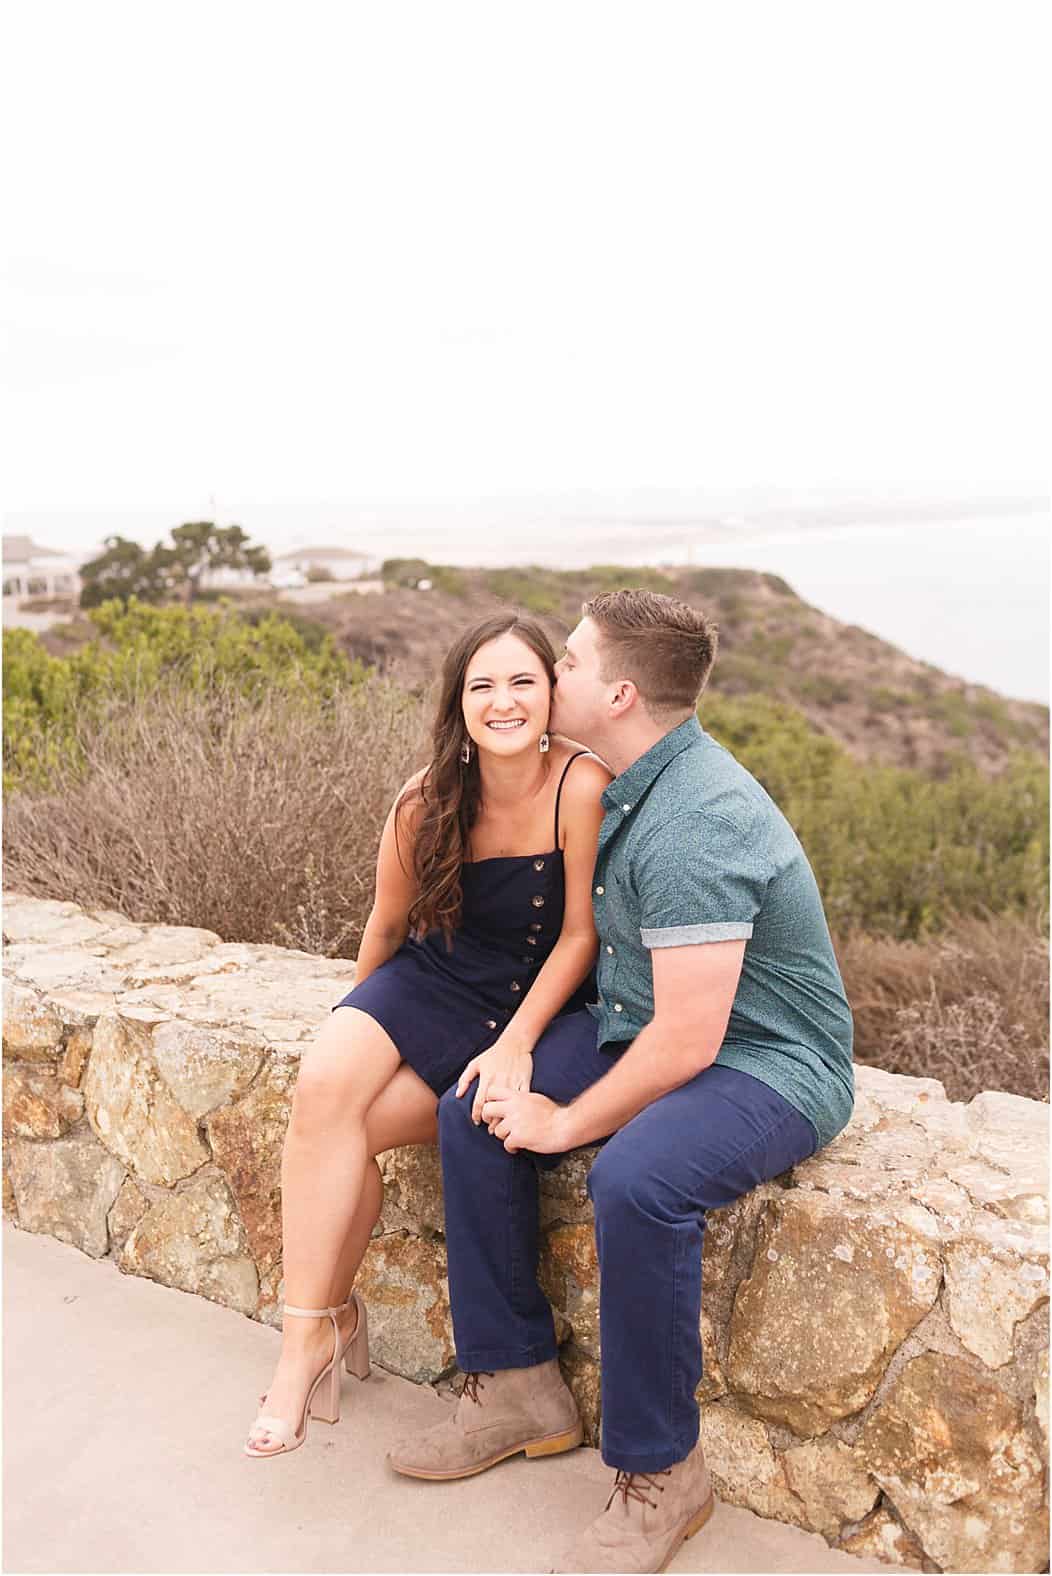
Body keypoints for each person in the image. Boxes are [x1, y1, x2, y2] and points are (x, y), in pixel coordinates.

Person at [387, 589, 855, 1575]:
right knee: (471, 1108)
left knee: (635, 1178)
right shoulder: (620, 774)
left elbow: (689, 1041)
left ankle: (662, 1473)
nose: (549, 672)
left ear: (618, 690)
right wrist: (515, 1052)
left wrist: (564, 1122)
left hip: (764, 1060)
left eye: (567, 659)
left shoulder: (698, 817)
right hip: (641, 1025)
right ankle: (516, 1385)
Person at [245, 613, 611, 1457]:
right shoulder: (426, 796)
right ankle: (304, 1343)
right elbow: (385, 928)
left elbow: (579, 936)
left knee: (357, 1133)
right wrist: (355, 1023)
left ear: (551, 691)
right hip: (427, 977)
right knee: (325, 1091)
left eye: (523, 680)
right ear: (459, 702)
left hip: (523, 998)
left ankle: (337, 1319)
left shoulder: (579, 786)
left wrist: (519, 1042)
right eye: (482, 685)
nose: (504, 701)